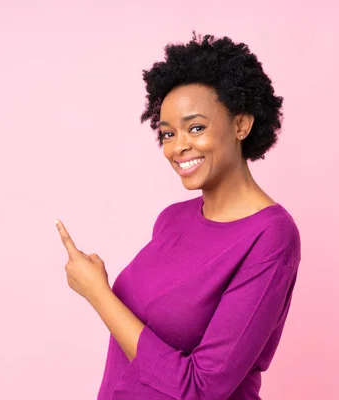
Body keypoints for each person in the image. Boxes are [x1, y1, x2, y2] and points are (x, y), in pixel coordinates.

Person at [55, 32, 301, 400]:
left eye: (196, 127)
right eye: (168, 133)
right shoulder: (172, 219)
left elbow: (201, 389)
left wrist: (98, 293)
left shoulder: (271, 236)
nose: (178, 146)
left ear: (241, 125)